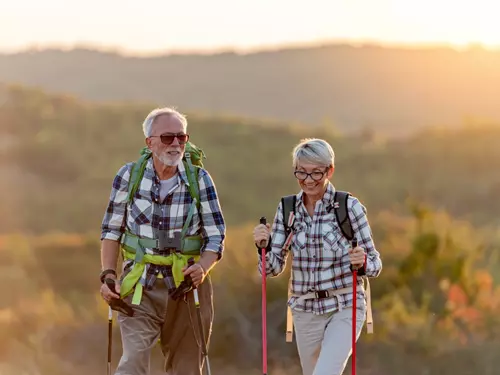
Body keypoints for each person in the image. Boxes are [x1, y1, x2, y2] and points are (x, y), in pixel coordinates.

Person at [99, 107, 226, 375]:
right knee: (132, 364)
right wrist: (108, 276)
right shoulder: (128, 176)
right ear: (150, 142)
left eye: (182, 137)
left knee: (186, 369)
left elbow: (215, 236)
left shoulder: (199, 180)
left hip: (187, 289)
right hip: (138, 286)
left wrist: (202, 268)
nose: (177, 144)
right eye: (168, 137)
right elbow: (111, 231)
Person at [253, 138, 382, 375]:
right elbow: (272, 268)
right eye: (301, 173)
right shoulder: (287, 209)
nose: (308, 180)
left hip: (345, 305)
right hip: (304, 310)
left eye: (316, 173)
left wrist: (362, 262)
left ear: (329, 171)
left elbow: (375, 263)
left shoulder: (348, 207)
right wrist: (263, 245)